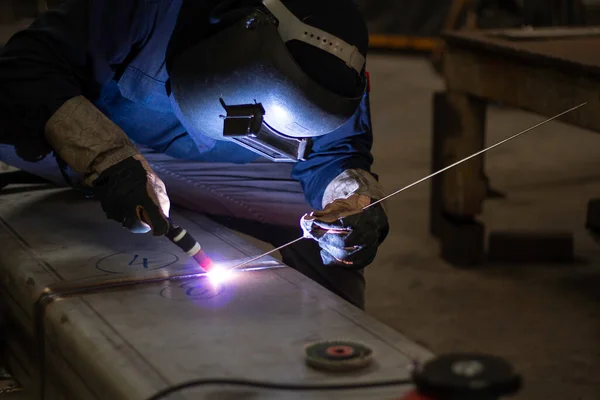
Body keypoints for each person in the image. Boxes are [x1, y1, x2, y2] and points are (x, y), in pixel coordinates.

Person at [0, 0, 389, 309]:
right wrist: (109, 159)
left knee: (322, 229)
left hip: (201, 163)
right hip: (80, 146)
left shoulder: (334, 63)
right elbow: (25, 66)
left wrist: (352, 203)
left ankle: (333, 353)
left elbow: (339, 154)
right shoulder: (151, 9)